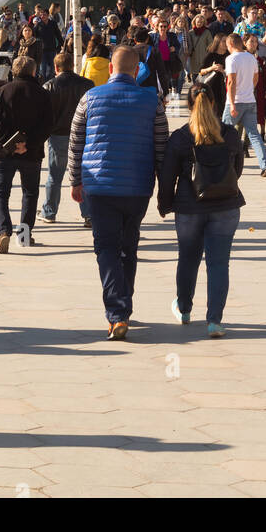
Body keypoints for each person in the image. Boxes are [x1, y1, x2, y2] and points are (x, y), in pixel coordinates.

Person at [68, 45, 169, 339]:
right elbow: (162, 147)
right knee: (129, 247)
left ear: (110, 69)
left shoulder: (90, 98)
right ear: (137, 71)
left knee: (106, 249)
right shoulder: (152, 102)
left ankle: (117, 311)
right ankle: (123, 304)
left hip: (99, 187)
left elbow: (76, 143)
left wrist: (75, 181)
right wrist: (165, 190)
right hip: (138, 188)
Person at [158, 81, 245, 337]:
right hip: (226, 206)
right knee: (219, 263)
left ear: (187, 105)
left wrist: (165, 203)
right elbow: (236, 170)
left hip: (189, 207)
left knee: (188, 258)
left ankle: (184, 309)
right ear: (215, 104)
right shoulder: (229, 134)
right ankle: (215, 320)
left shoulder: (181, 137)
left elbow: (167, 176)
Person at [0, 56, 54, 252]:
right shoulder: (42, 94)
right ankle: (24, 235)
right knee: (30, 193)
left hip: (3, 152)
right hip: (31, 153)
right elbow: (48, 124)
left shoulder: (2, 91)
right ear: (34, 72)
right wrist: (28, 144)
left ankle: (4, 231)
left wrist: (8, 142)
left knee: (0, 193)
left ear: (13, 71)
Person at [40, 51, 92, 224]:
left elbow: (45, 114)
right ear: (73, 65)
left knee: (54, 176)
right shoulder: (87, 84)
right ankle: (88, 214)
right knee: (84, 175)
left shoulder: (49, 86)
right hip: (83, 136)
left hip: (58, 135)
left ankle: (49, 212)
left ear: (56, 67)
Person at [224, 34, 266, 177]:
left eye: (227, 46)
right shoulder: (251, 58)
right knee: (254, 135)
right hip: (250, 100)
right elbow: (256, 77)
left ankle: (223, 164)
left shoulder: (231, 59)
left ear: (231, 44)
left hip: (235, 101)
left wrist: (232, 104)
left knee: (224, 133)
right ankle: (265, 165)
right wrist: (249, 89)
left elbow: (231, 82)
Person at [34, 9, 64, 83]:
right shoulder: (38, 25)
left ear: (48, 15)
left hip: (52, 49)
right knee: (42, 70)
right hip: (42, 50)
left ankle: (51, 83)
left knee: (52, 69)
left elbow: (58, 34)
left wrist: (62, 44)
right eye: (41, 15)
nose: (42, 16)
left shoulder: (53, 23)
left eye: (44, 14)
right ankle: (43, 84)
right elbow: (34, 35)